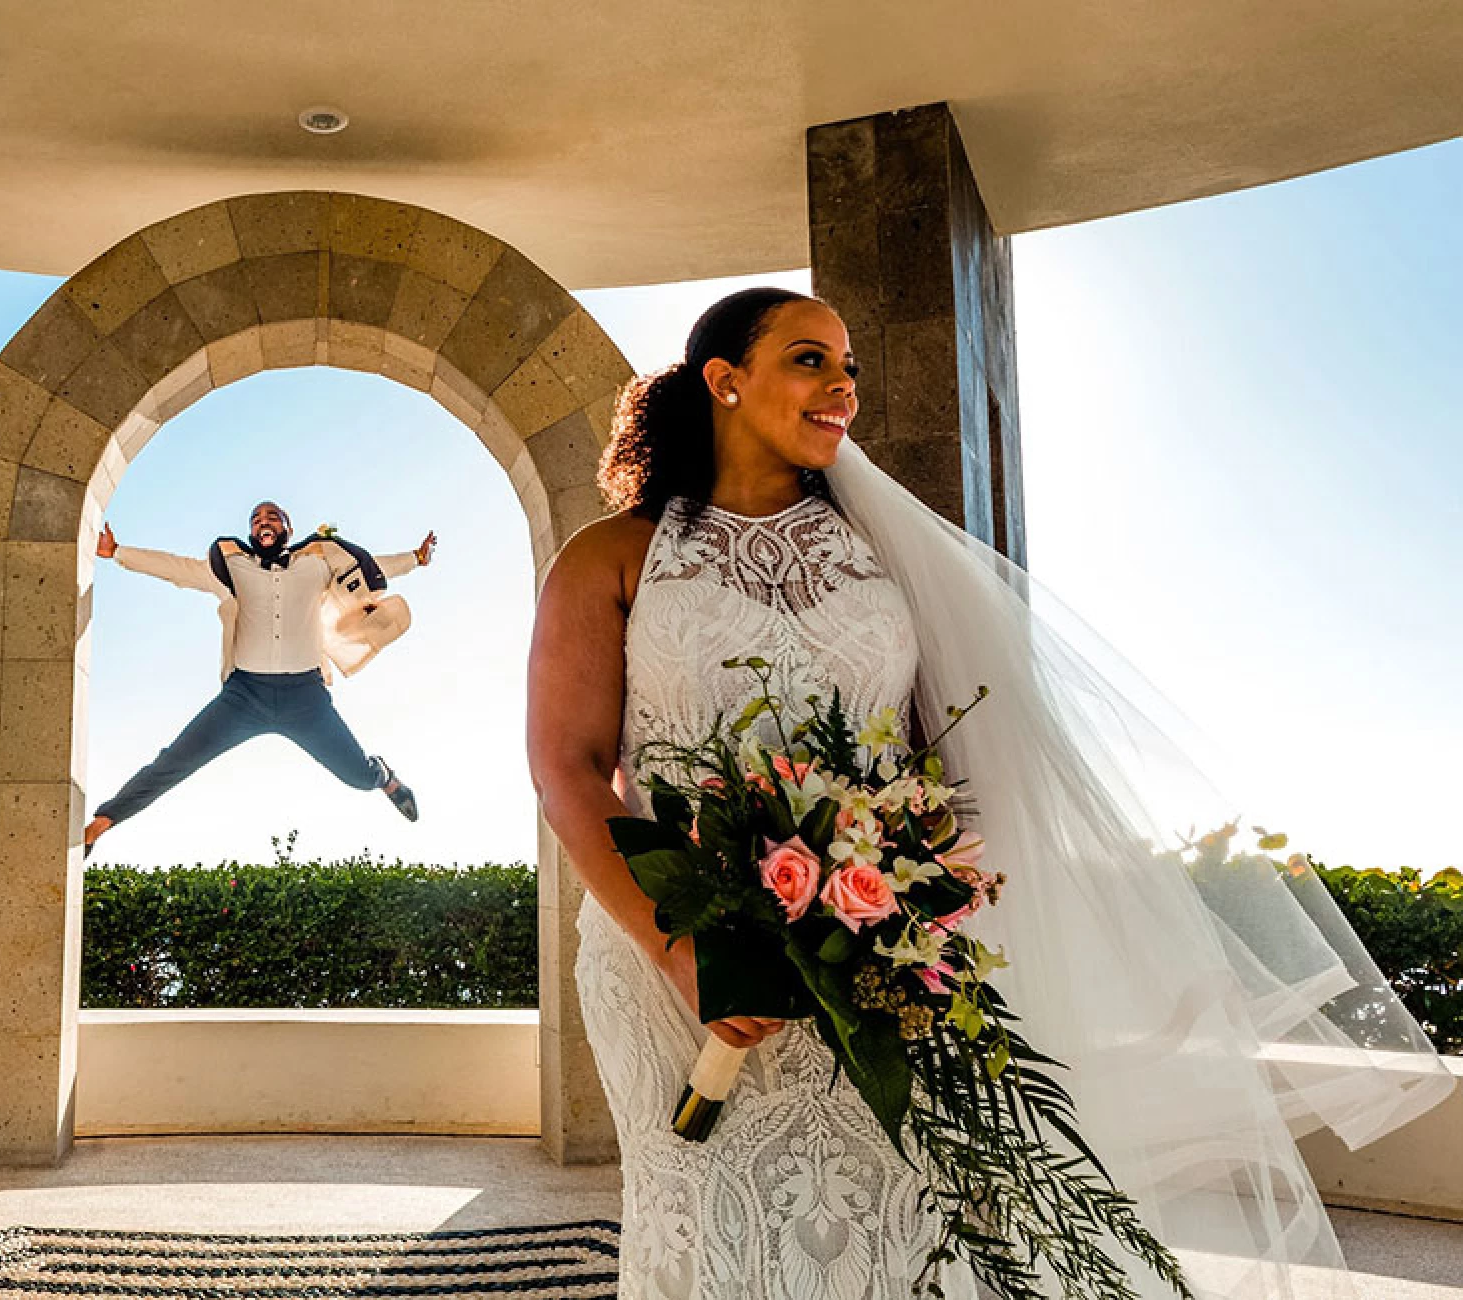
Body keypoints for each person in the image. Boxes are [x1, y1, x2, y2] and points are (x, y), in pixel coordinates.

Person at [526, 287, 1450, 1298]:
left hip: (873, 955)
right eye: (809, 360)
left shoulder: (884, 556)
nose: (842, 386)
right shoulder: (613, 556)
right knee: (709, 1226)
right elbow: (567, 767)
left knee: (899, 1221)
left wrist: (923, 908)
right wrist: (683, 952)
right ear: (724, 381)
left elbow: (943, 765)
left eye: (851, 367)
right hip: (669, 955)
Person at [84, 500, 436, 856]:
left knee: (359, 777)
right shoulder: (232, 565)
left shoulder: (317, 564)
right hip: (244, 698)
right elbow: (179, 569)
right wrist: (117, 552)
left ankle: (386, 779)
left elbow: (373, 567)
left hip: (306, 699)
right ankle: (100, 824)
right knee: (174, 760)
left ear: (288, 528)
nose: (262, 522)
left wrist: (415, 559)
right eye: (255, 519)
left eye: (272, 517)